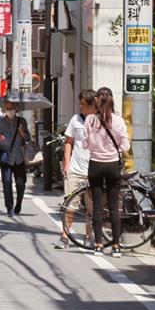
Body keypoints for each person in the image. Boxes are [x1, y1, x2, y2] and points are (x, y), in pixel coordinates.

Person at [82, 87, 130, 257]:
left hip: (95, 164)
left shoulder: (90, 120)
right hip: (112, 165)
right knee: (114, 207)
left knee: (96, 207)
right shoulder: (118, 121)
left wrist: (96, 146)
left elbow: (84, 144)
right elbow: (126, 146)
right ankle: (116, 246)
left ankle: (98, 245)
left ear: (97, 101)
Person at [55, 89, 97, 250]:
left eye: (83, 104)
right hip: (76, 170)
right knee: (69, 205)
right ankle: (64, 236)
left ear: (93, 105)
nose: (80, 106)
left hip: (94, 170)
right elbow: (68, 142)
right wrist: (67, 163)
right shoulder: (75, 120)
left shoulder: (100, 121)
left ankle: (89, 237)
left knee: (92, 207)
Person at [0, 101, 31, 217]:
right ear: (4, 109)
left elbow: (28, 138)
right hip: (6, 157)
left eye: (11, 107)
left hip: (19, 157)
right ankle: (9, 208)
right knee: (7, 182)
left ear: (16, 108)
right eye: (7, 107)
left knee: (21, 183)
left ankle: (19, 203)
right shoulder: (0, 123)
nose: (9, 110)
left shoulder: (22, 121)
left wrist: (22, 133)